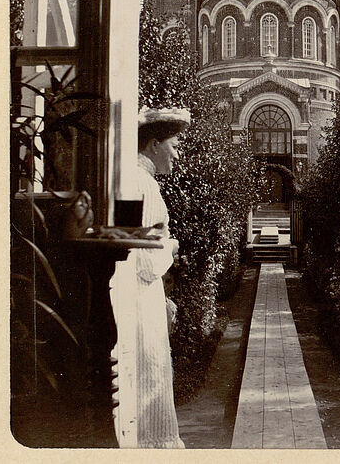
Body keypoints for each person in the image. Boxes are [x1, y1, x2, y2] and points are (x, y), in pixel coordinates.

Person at [134, 107, 190, 448]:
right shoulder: (145, 185)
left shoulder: (139, 180)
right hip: (142, 300)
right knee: (151, 378)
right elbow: (143, 258)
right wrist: (170, 247)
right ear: (154, 144)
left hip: (146, 297)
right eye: (173, 145)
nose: (177, 153)